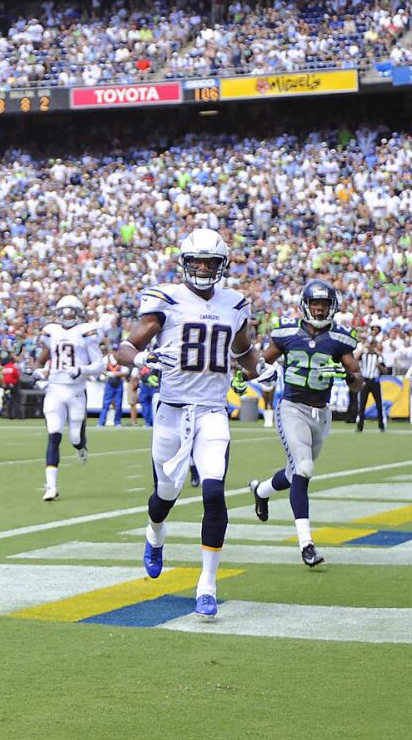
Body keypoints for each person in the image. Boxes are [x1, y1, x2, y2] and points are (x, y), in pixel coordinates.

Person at [116, 228, 260, 618]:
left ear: (221, 266)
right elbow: (127, 347)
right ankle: (154, 532)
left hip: (213, 410)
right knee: (165, 495)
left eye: (210, 262)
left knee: (214, 492)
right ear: (183, 263)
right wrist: (143, 360)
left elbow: (243, 348)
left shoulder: (235, 303)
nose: (202, 268)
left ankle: (207, 586)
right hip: (172, 411)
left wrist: (258, 370)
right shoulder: (167, 298)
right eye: (196, 261)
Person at [247, 280, 361, 568]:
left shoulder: (339, 339)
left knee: (293, 471)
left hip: (321, 414)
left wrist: (346, 375)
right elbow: (259, 363)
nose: (319, 309)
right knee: (304, 469)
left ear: (332, 307)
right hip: (291, 408)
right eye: (315, 304)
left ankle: (261, 491)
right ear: (305, 305)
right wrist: (250, 376)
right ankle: (306, 544)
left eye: (324, 305)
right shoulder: (286, 334)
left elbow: (358, 381)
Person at [35, 294, 102, 500]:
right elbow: (40, 362)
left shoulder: (86, 333)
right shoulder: (51, 332)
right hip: (54, 388)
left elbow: (99, 365)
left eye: (71, 312)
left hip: (75, 390)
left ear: (79, 314)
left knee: (74, 438)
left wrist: (81, 370)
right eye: (64, 312)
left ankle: (81, 445)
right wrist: (40, 373)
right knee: (53, 434)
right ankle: (51, 487)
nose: (67, 316)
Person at [354, 327, 388, 432]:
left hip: (375, 381)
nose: (370, 346)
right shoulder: (363, 354)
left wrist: (379, 366)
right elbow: (355, 358)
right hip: (365, 381)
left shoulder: (378, 356)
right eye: (369, 344)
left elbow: (385, 370)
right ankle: (360, 427)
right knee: (362, 405)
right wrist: (363, 346)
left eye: (372, 344)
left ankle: (381, 426)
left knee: (378, 404)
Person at [99, 348, 126, 426]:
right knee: (106, 403)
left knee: (118, 403)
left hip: (118, 382)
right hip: (109, 383)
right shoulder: (106, 359)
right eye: (114, 350)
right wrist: (107, 374)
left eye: (117, 350)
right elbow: (101, 369)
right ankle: (101, 422)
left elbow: (125, 372)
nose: (115, 352)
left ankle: (117, 422)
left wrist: (115, 374)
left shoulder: (122, 359)